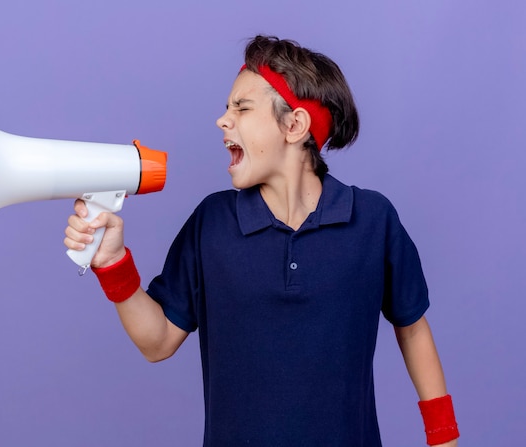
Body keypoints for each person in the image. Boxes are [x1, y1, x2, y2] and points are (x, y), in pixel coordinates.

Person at [64, 35, 459, 446]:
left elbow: (412, 328)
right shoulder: (212, 223)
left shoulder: (372, 220)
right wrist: (112, 262)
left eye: (242, 107)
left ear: (294, 126)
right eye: (226, 107)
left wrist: (443, 436)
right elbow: (157, 341)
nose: (223, 119)